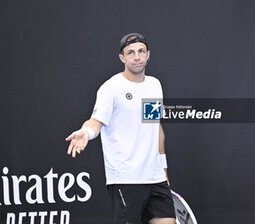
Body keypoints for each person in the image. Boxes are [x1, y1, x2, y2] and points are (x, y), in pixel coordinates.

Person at [65, 33, 176, 224]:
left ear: (148, 54)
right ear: (122, 58)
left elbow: (156, 127)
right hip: (126, 180)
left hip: (155, 178)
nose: (137, 57)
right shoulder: (111, 88)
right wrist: (86, 132)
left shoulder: (154, 85)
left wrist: (163, 166)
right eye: (131, 52)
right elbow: (96, 122)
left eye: (141, 51)